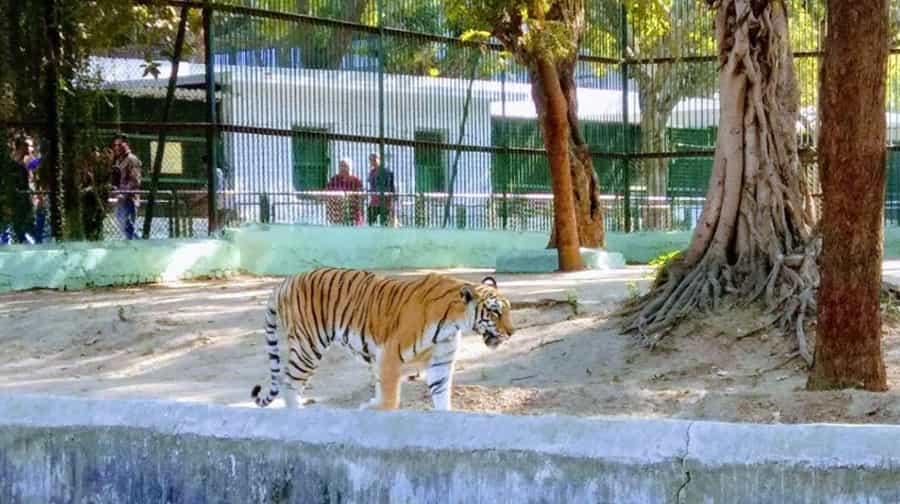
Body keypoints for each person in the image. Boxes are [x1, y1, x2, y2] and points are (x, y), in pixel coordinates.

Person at [0, 134, 35, 244]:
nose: (28, 149)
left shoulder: (22, 167)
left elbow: (24, 187)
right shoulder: (10, 166)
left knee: (25, 231)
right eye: (26, 146)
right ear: (19, 148)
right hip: (14, 205)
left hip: (23, 206)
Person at [109, 133, 142, 240]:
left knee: (128, 227)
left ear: (126, 144)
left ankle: (138, 244)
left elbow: (135, 180)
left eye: (119, 145)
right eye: (115, 145)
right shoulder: (119, 160)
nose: (117, 147)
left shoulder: (132, 159)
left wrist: (124, 194)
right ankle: (136, 243)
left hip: (129, 199)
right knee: (123, 226)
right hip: (120, 199)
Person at [325, 158, 363, 225]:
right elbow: (327, 193)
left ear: (350, 167)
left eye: (344, 166)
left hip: (353, 214)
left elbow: (361, 197)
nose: (342, 168)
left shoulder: (356, 181)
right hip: (337, 215)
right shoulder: (334, 179)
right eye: (341, 166)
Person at [366, 152, 396, 226]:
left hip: (385, 202)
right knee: (370, 222)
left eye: (374, 159)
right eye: (371, 160)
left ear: (380, 160)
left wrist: (391, 201)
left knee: (386, 223)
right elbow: (372, 186)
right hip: (374, 202)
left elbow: (391, 187)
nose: (372, 161)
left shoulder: (386, 171)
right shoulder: (371, 172)